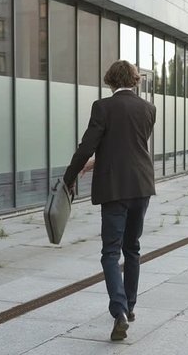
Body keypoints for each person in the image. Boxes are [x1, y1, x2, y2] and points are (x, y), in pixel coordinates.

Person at [63, 60, 156, 341]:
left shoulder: (102, 107)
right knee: (133, 249)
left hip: (115, 189)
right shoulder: (148, 108)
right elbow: (129, 146)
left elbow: (87, 146)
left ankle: (119, 312)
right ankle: (130, 305)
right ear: (134, 80)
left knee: (110, 252)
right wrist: (95, 163)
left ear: (110, 81)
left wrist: (69, 177)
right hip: (142, 185)